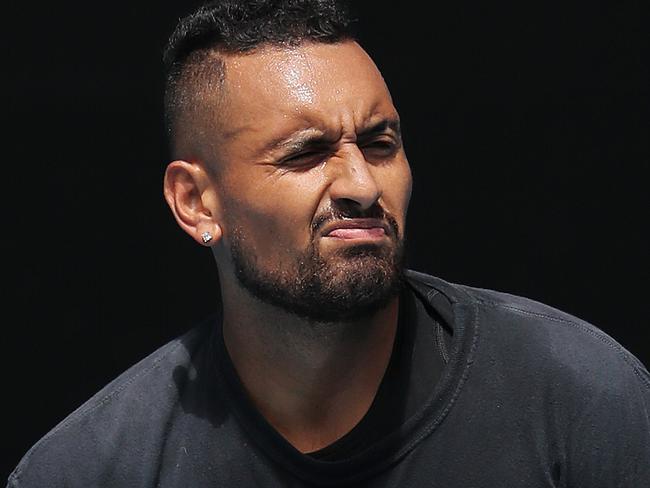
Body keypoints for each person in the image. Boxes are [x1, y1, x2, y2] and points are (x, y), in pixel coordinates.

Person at [8, 1, 649, 486]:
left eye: (380, 144)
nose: (363, 185)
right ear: (196, 202)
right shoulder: (93, 468)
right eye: (307, 153)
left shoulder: (576, 399)